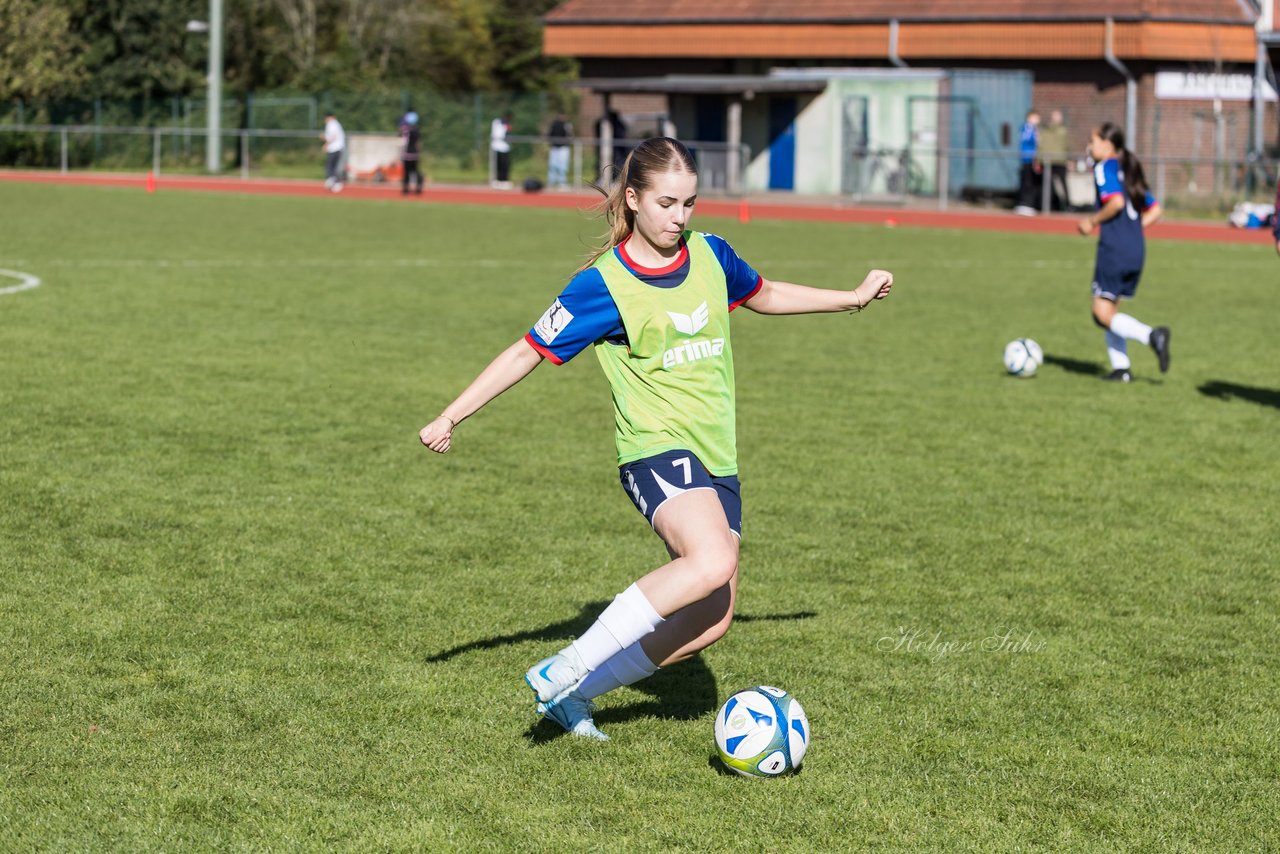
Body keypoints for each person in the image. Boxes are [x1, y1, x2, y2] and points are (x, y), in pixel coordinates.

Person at [418, 137, 894, 740]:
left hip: (717, 453)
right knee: (713, 560)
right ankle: (567, 664)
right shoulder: (604, 285)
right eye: (667, 203)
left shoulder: (713, 255)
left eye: (690, 203)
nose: (679, 217)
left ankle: (573, 695)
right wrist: (451, 415)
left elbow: (764, 293)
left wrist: (851, 298)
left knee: (712, 616)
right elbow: (526, 350)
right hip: (655, 447)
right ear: (635, 199)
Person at [1077, 122, 1170, 382]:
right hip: (1135, 248)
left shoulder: (1104, 167)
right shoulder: (1128, 168)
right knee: (1110, 311)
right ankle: (1122, 369)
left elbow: (1116, 202)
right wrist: (1132, 229)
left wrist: (1091, 222)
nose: (1089, 147)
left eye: (1093, 142)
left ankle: (1152, 335)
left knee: (1101, 313)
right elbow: (1156, 210)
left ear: (1107, 146)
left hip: (1114, 248)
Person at [1039, 109, 1070, 211]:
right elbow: (1041, 146)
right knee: (1048, 186)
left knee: (1063, 184)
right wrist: (1039, 160)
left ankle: (1067, 205)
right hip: (1048, 162)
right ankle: (1051, 206)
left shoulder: (1063, 131)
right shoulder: (1046, 131)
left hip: (1060, 161)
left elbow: (1067, 146)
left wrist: (1069, 159)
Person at [1013, 109, 1041, 215]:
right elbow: (1027, 140)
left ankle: (1028, 204)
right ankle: (1025, 204)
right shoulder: (1028, 128)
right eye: (1036, 117)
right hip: (1027, 158)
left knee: (1031, 182)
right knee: (1027, 182)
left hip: (1032, 159)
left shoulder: (1033, 129)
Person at [546, 112, 572, 189]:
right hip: (554, 148)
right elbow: (550, 135)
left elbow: (569, 136)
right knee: (553, 165)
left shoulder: (567, 125)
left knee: (563, 166)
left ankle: (562, 182)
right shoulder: (554, 125)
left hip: (563, 148)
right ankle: (551, 182)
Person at [321, 111, 345, 193]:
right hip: (339, 148)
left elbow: (332, 136)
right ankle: (333, 182)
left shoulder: (332, 124)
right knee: (332, 166)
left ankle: (335, 183)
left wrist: (326, 144)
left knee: (330, 166)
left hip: (335, 148)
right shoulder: (336, 124)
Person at [400, 111, 423, 196]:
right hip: (415, 154)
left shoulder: (405, 130)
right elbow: (418, 144)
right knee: (415, 171)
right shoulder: (417, 130)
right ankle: (418, 188)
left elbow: (403, 142)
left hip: (407, 154)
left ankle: (405, 189)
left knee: (407, 172)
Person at [490, 113, 513, 189]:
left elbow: (508, 134)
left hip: (505, 148)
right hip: (497, 147)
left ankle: (504, 181)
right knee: (497, 165)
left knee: (505, 165)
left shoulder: (507, 125)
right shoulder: (497, 122)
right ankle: (497, 180)